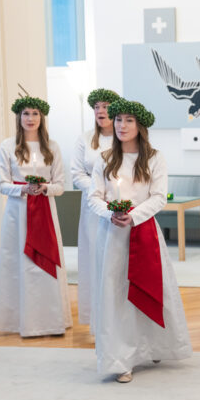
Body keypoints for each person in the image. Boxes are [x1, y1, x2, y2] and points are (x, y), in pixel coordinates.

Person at [88, 99, 192, 383]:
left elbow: (159, 197)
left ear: (140, 126)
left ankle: (153, 344)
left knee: (149, 285)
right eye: (118, 120)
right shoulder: (104, 158)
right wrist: (111, 213)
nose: (121, 125)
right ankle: (121, 358)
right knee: (117, 293)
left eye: (128, 120)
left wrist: (134, 216)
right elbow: (94, 196)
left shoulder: (154, 158)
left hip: (144, 231)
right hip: (112, 235)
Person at [0, 96, 71, 336]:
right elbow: (2, 184)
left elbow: (60, 184)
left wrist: (45, 188)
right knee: (19, 262)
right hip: (18, 213)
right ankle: (20, 320)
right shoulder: (7, 146)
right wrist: (22, 189)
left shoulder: (52, 147)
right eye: (26, 114)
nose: (31, 119)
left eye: (35, 114)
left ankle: (51, 320)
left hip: (45, 211)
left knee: (46, 261)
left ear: (42, 118)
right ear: (19, 117)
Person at [71, 88, 121, 331]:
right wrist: (96, 189)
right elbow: (76, 173)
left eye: (106, 106)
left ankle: (118, 316)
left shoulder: (123, 136)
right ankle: (96, 320)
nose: (101, 111)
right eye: (96, 107)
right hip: (93, 205)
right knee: (94, 255)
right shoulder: (85, 138)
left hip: (119, 202)